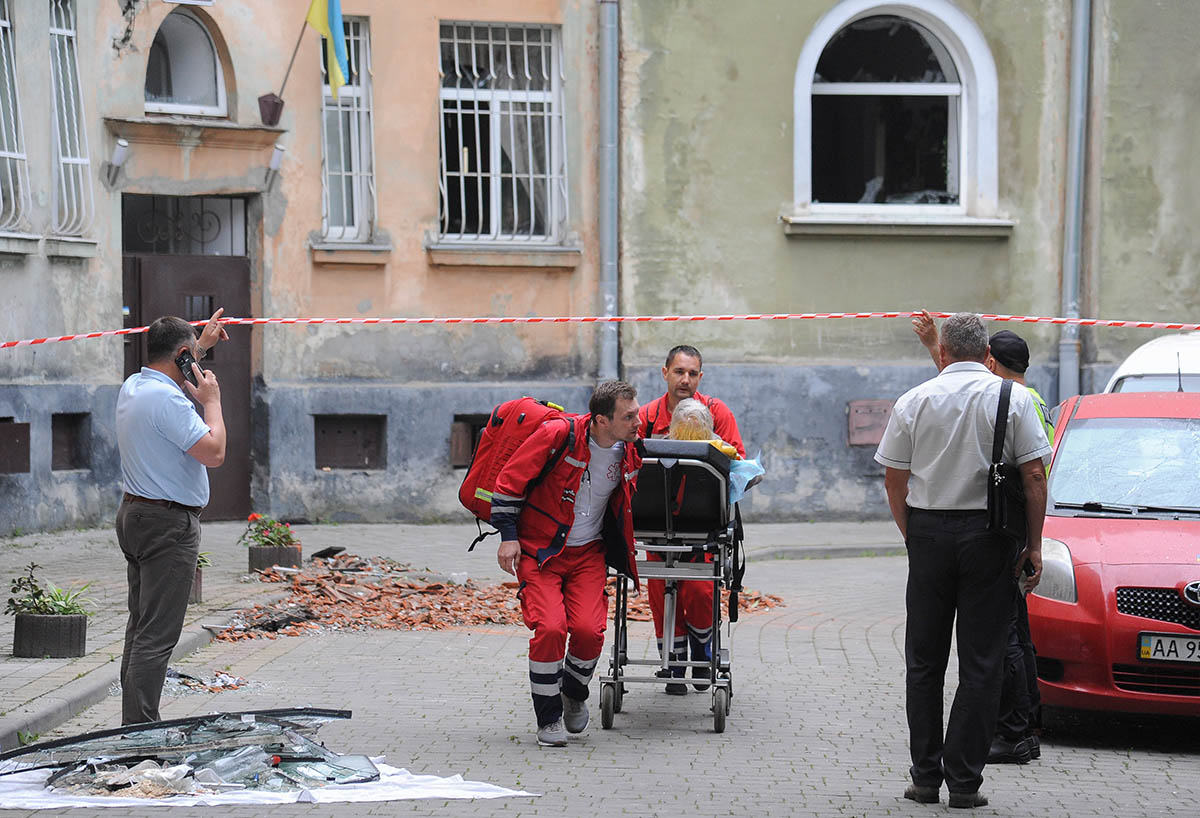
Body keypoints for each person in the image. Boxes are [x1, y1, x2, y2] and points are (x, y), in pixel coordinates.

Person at [876, 312, 1051, 809]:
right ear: (987, 356)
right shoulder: (1013, 397)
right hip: (991, 538)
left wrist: (913, 532)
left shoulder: (915, 400)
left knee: (924, 662)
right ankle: (966, 782)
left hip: (929, 531)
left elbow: (894, 478)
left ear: (945, 353)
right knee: (982, 662)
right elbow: (1034, 477)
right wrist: (1034, 546)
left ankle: (925, 777)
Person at [492, 381, 642, 747]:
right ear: (602, 420)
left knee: (590, 632)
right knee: (551, 629)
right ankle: (548, 719)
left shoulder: (630, 450)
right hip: (541, 551)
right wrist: (508, 536)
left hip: (588, 553)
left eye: (637, 412)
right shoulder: (558, 435)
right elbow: (508, 483)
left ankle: (573, 693)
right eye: (629, 416)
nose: (638, 421)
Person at [115, 308, 229, 725]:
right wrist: (212, 402)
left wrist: (201, 345)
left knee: (140, 627)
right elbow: (214, 452)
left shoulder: (134, 386)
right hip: (167, 525)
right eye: (191, 357)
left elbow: (175, 369)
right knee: (158, 636)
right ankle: (141, 730)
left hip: (135, 515)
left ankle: (133, 726)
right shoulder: (168, 401)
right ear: (180, 354)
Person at [637, 345, 744, 694]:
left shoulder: (714, 412)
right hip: (655, 521)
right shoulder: (647, 416)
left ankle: (701, 650)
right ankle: (672, 661)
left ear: (700, 376)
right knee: (660, 589)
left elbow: (737, 462)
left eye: (692, 373)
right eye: (679, 372)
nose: (685, 380)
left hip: (702, 522)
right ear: (664, 372)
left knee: (699, 589)